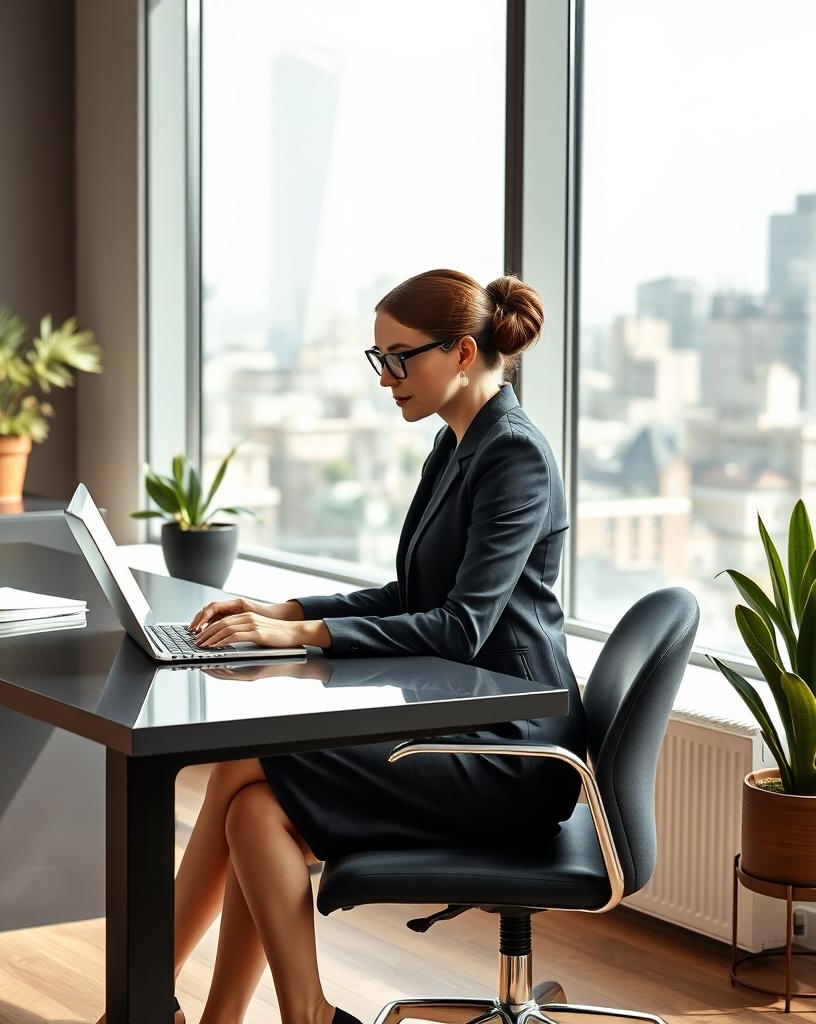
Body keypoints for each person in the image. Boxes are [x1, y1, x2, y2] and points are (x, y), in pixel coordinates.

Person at [95, 268, 586, 1024]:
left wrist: (297, 634)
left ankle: (145, 1005)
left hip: (511, 750)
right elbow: (407, 599)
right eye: (378, 358)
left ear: (460, 353)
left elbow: (461, 627)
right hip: (460, 725)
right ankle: (287, 1016)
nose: (386, 378)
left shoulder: (513, 455)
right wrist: (281, 607)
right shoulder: (458, 443)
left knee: (244, 762)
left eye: (399, 358)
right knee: (252, 811)